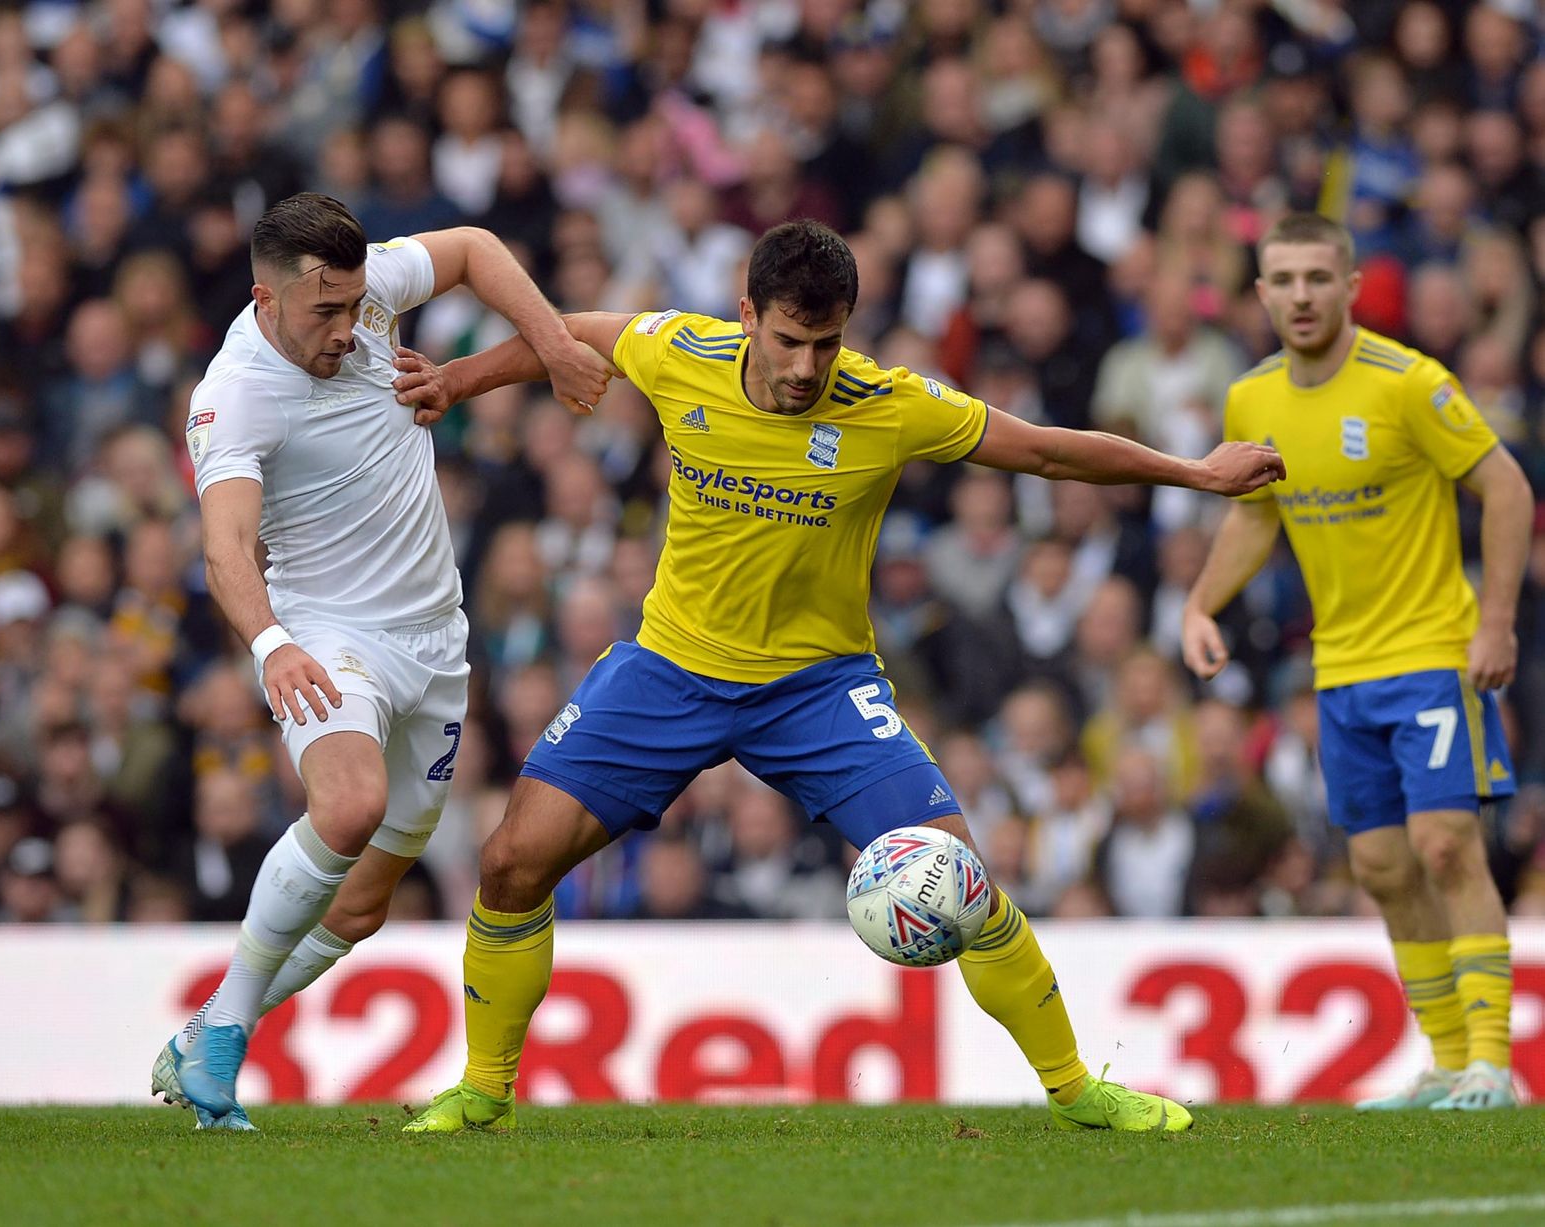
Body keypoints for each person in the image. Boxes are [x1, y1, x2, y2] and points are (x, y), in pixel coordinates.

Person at [393, 219, 1283, 1133]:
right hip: (670, 668)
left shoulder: (893, 403)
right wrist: (456, 381)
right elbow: (571, 329)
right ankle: (485, 1089)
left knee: (963, 876)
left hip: (820, 689)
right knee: (509, 862)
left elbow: (1048, 450)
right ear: (746, 316)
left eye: (828, 342)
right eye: (788, 340)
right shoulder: (678, 348)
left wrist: (1193, 475)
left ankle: (1076, 1090)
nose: (809, 366)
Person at [152, 193, 611, 1130]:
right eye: (324, 312)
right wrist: (274, 644)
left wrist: (553, 345)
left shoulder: (364, 298)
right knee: (349, 806)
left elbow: (478, 245)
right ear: (265, 299)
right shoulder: (232, 394)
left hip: (438, 644)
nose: (349, 328)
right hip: (329, 638)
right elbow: (226, 548)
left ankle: (206, 1030)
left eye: (356, 304)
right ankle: (227, 1034)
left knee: (360, 910)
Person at [1182, 213, 1533, 1111]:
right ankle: (1450, 1063)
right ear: (1260, 294)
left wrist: (1496, 623)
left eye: (1316, 278)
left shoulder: (1407, 382)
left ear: (1349, 287)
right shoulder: (1253, 400)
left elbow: (1506, 486)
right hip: (1340, 669)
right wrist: (1199, 603)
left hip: (1431, 652)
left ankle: (1494, 1062)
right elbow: (1255, 513)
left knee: (1445, 843)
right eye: (1283, 280)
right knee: (1379, 866)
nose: (1300, 296)